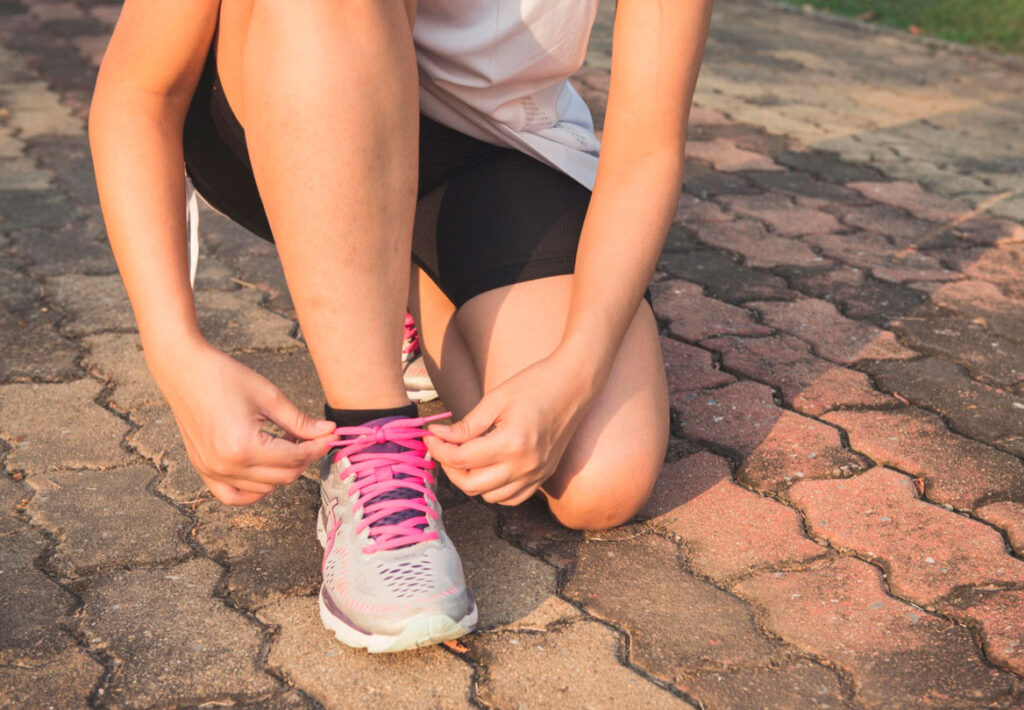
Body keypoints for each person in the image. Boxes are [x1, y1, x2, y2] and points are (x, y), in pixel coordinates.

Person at [88, 0, 715, 652]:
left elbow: (647, 146)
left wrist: (576, 370)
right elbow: (138, 93)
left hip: (494, 144)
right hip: (285, 83)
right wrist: (175, 348)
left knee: (599, 477)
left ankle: (382, 284)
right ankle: (371, 440)